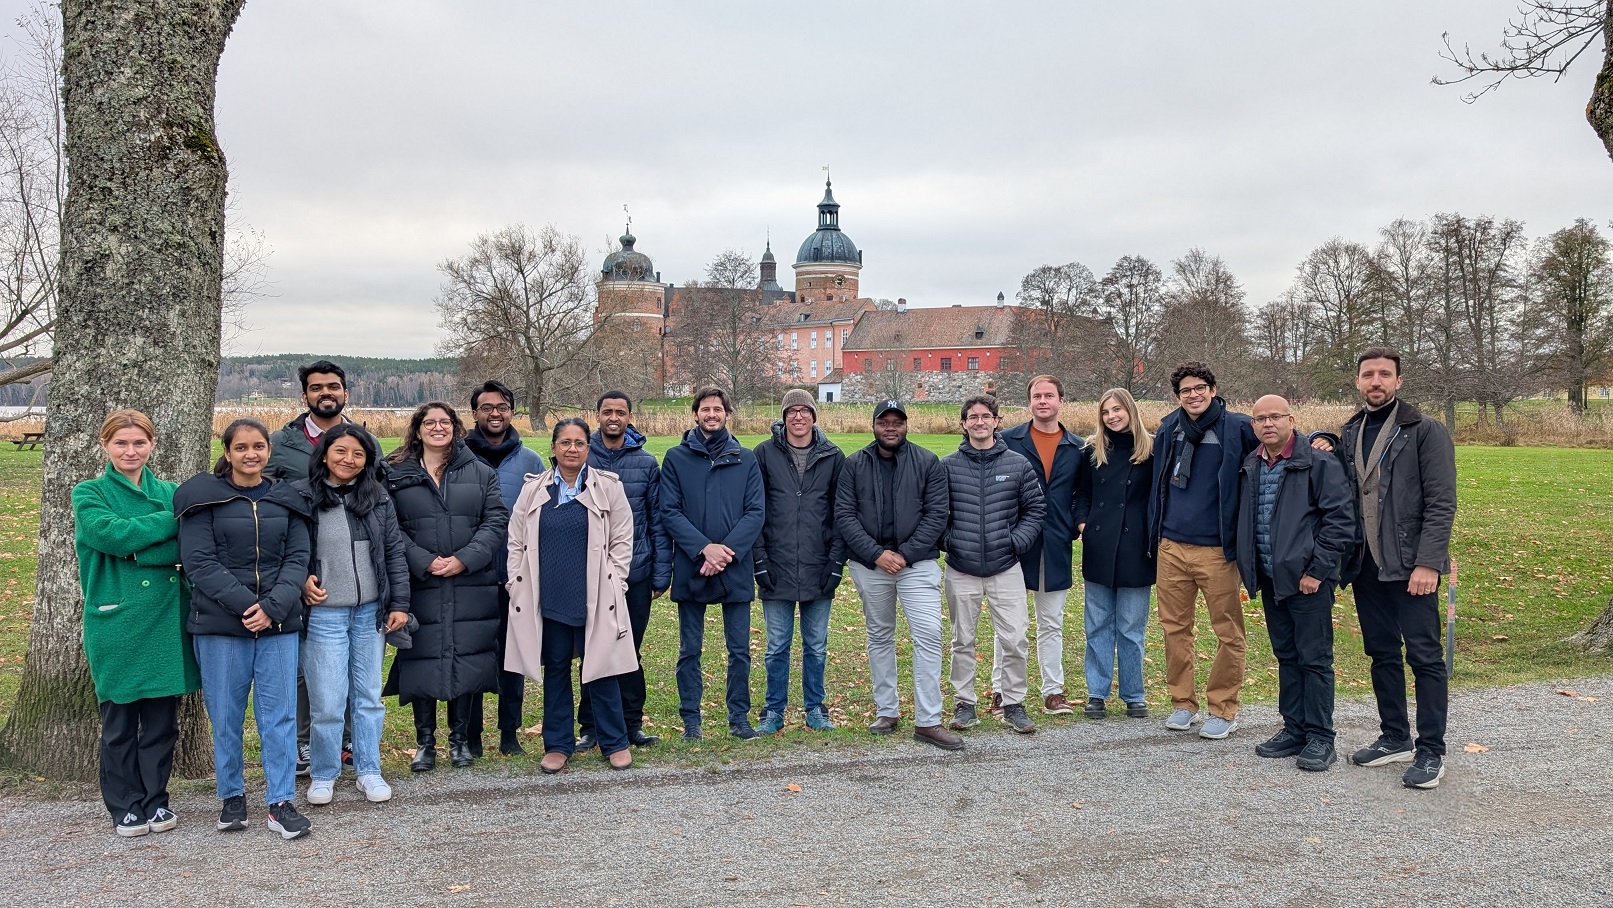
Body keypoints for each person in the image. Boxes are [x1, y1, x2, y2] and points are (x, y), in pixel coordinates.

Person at [176, 418, 313, 840]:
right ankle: (232, 795)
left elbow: (298, 559)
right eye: (241, 448)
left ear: (268, 451)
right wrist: (246, 605)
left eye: (258, 446)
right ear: (228, 452)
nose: (250, 454)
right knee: (226, 715)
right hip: (220, 626)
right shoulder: (203, 501)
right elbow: (200, 562)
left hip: (278, 625)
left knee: (279, 716)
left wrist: (272, 608)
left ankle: (280, 800)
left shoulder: (286, 500)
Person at [1332, 347, 1457, 788]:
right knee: (1381, 653)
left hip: (1411, 566)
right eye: (1368, 374)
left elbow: (1442, 503)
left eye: (1385, 374)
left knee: (1424, 657)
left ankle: (1431, 750)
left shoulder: (1425, 431)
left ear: (1398, 381)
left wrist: (1428, 562)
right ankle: (1394, 736)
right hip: (1366, 566)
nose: (1376, 381)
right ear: (1358, 381)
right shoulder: (1351, 431)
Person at [72, 409, 200, 838]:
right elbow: (110, 536)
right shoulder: (89, 492)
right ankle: (124, 804)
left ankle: (155, 799)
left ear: (152, 444)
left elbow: (189, 544)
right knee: (120, 723)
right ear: (105, 445)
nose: (131, 451)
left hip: (166, 620)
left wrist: (141, 550)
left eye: (139, 442)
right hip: (118, 620)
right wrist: (167, 525)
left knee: (163, 723)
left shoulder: (169, 490)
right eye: (121, 443)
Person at [505, 418, 639, 772]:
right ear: (553, 448)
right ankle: (558, 744)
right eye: (565, 442)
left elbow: (624, 539)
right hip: (549, 595)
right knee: (558, 668)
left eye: (579, 443)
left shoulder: (607, 488)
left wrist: (616, 580)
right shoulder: (533, 490)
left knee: (602, 668)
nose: (572, 449)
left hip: (594, 594)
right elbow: (516, 541)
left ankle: (614, 741)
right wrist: (515, 582)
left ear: (588, 448)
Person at [383, 402, 509, 770]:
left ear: (456, 427)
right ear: (417, 429)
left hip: (470, 581)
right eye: (429, 422)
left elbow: (495, 519)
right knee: (422, 657)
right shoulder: (395, 473)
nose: (438, 428)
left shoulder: (479, 471)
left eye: (445, 422)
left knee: (464, 657)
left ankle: (459, 741)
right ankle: (425, 742)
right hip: (419, 582)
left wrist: (466, 558)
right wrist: (422, 560)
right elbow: (390, 528)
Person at [835, 399, 964, 751]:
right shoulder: (854, 465)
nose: (890, 427)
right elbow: (844, 515)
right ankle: (887, 711)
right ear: (873, 425)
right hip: (870, 564)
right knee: (880, 635)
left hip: (917, 563)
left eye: (897, 421)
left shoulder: (927, 462)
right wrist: (877, 554)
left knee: (927, 634)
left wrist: (904, 555)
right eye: (884, 421)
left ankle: (928, 720)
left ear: (906, 424)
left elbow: (937, 515)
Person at [294, 424, 412, 805]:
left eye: (358, 454)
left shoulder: (377, 498)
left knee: (367, 698)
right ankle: (324, 773)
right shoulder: (302, 497)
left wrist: (399, 604)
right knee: (328, 700)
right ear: (325, 453)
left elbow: (393, 552)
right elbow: (289, 552)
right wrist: (301, 581)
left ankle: (368, 770)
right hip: (324, 613)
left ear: (367, 460)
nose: (349, 460)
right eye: (341, 452)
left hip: (369, 614)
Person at [1236, 396, 1355, 772]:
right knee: (1286, 656)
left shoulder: (1318, 461)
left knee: (1314, 659)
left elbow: (1339, 521)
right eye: (1259, 418)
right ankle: (1294, 728)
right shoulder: (1252, 463)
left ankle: (1321, 736)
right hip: (1272, 579)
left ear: (1291, 419)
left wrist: (1317, 572)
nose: (1267, 423)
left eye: (1274, 417)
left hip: (1308, 581)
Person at [1147, 362, 1259, 739]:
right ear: (1177, 396)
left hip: (1217, 550)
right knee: (1175, 628)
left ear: (1212, 389)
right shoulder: (1169, 429)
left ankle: (1223, 708)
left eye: (1199, 388)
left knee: (1228, 631)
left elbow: (1284, 442)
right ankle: (1182, 703)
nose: (1192, 395)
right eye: (1185, 391)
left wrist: (1326, 437)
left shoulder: (1239, 427)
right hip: (1171, 546)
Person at [659, 387, 766, 740]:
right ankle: (692, 720)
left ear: (726, 414)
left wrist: (724, 552)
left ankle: (739, 717)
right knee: (690, 649)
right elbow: (669, 511)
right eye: (705, 409)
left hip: (734, 568)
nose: (712, 414)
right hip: (692, 566)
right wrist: (703, 549)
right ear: (695, 414)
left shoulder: (745, 458)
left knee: (739, 651)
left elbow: (755, 512)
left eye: (718, 409)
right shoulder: (676, 458)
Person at [264, 358, 350, 777]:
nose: (325, 393)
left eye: (333, 386)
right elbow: (264, 497)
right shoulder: (282, 443)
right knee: (302, 661)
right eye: (317, 388)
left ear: (345, 393)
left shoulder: (360, 438)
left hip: (350, 564)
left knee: (348, 655)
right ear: (305, 396)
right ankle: (303, 742)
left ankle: (348, 738)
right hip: (297, 561)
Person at [941, 395, 1045, 735]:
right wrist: (951, 542)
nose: (980, 422)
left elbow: (1034, 510)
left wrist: (1015, 542)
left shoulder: (1017, 464)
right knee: (962, 640)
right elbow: (937, 514)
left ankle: (1013, 703)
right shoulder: (947, 466)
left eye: (986, 416)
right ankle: (964, 704)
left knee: (1015, 639)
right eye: (973, 417)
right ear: (963, 423)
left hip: (1006, 566)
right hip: (961, 567)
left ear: (996, 421)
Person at [579, 390, 671, 749]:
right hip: (589, 572)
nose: (613, 417)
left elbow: (657, 521)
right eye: (607, 412)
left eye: (620, 412)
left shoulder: (646, 463)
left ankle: (631, 723)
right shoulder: (581, 455)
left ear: (629, 416)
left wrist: (661, 573)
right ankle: (590, 725)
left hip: (635, 571)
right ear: (598, 415)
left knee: (629, 649)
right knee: (591, 649)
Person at [752, 388, 847, 734]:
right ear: (784, 416)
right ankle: (773, 710)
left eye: (804, 411)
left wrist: (836, 563)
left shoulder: (833, 456)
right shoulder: (763, 454)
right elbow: (755, 511)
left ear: (814, 416)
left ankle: (814, 708)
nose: (798, 417)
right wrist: (759, 560)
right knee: (776, 646)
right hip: (775, 566)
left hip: (818, 566)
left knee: (816, 646)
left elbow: (842, 515)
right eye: (791, 411)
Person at [462, 380, 546, 756]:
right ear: (475, 413)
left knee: (515, 655)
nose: (494, 413)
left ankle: (509, 733)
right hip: (471, 577)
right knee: (475, 656)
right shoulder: (458, 457)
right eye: (486, 407)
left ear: (512, 411)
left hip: (517, 578)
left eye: (502, 406)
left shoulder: (531, 462)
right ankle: (472, 736)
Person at [1000, 374, 1084, 717]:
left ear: (1061, 400)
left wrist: (1075, 524)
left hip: (1056, 543)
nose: (1043, 401)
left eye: (1049, 395)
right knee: (1009, 624)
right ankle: (1000, 691)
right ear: (1030, 401)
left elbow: (1082, 495)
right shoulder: (1009, 440)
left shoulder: (1078, 447)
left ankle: (1053, 691)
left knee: (1051, 621)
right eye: (1037, 396)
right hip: (1015, 543)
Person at [1073, 389, 1156, 721]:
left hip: (1137, 547)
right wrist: (1082, 523)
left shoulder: (1152, 449)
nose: (1112, 416)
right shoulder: (1091, 451)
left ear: (1130, 411)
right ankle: (1097, 692)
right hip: (1099, 543)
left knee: (1132, 628)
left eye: (1117, 409)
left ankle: (1134, 694)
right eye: (1106, 411)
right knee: (1097, 624)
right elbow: (1081, 492)